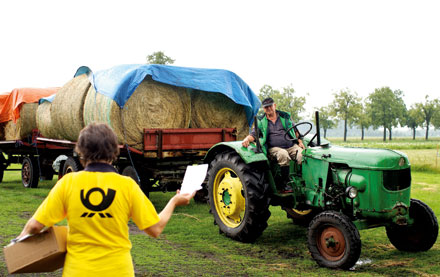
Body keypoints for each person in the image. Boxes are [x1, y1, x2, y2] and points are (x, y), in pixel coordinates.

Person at [16, 123, 195, 276]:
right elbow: (155, 229)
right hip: (118, 270)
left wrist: (17, 245)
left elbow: (34, 226)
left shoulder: (68, 183)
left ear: (81, 151)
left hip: (78, 271)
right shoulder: (127, 185)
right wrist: (173, 201)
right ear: (114, 150)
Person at [242, 97, 305, 192]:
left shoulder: (285, 117)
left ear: (274, 106)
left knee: (303, 155)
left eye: (270, 106)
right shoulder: (261, 121)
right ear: (264, 109)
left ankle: (303, 181)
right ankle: (285, 184)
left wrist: (300, 142)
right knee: (283, 154)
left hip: (291, 146)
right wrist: (247, 139)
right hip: (274, 148)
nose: (268, 109)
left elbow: (295, 131)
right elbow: (254, 134)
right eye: (266, 107)